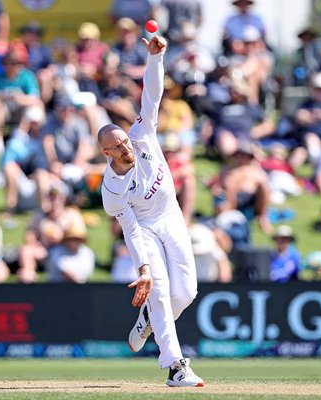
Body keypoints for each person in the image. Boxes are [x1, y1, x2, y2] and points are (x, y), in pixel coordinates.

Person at [98, 35, 204, 387]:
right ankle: (175, 366)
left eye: (124, 142)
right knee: (158, 290)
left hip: (170, 215)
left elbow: (152, 95)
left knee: (185, 293)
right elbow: (129, 228)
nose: (125, 147)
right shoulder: (112, 190)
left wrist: (156, 59)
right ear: (106, 153)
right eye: (117, 147)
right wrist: (143, 269)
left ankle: (147, 321)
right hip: (143, 226)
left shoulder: (142, 134)